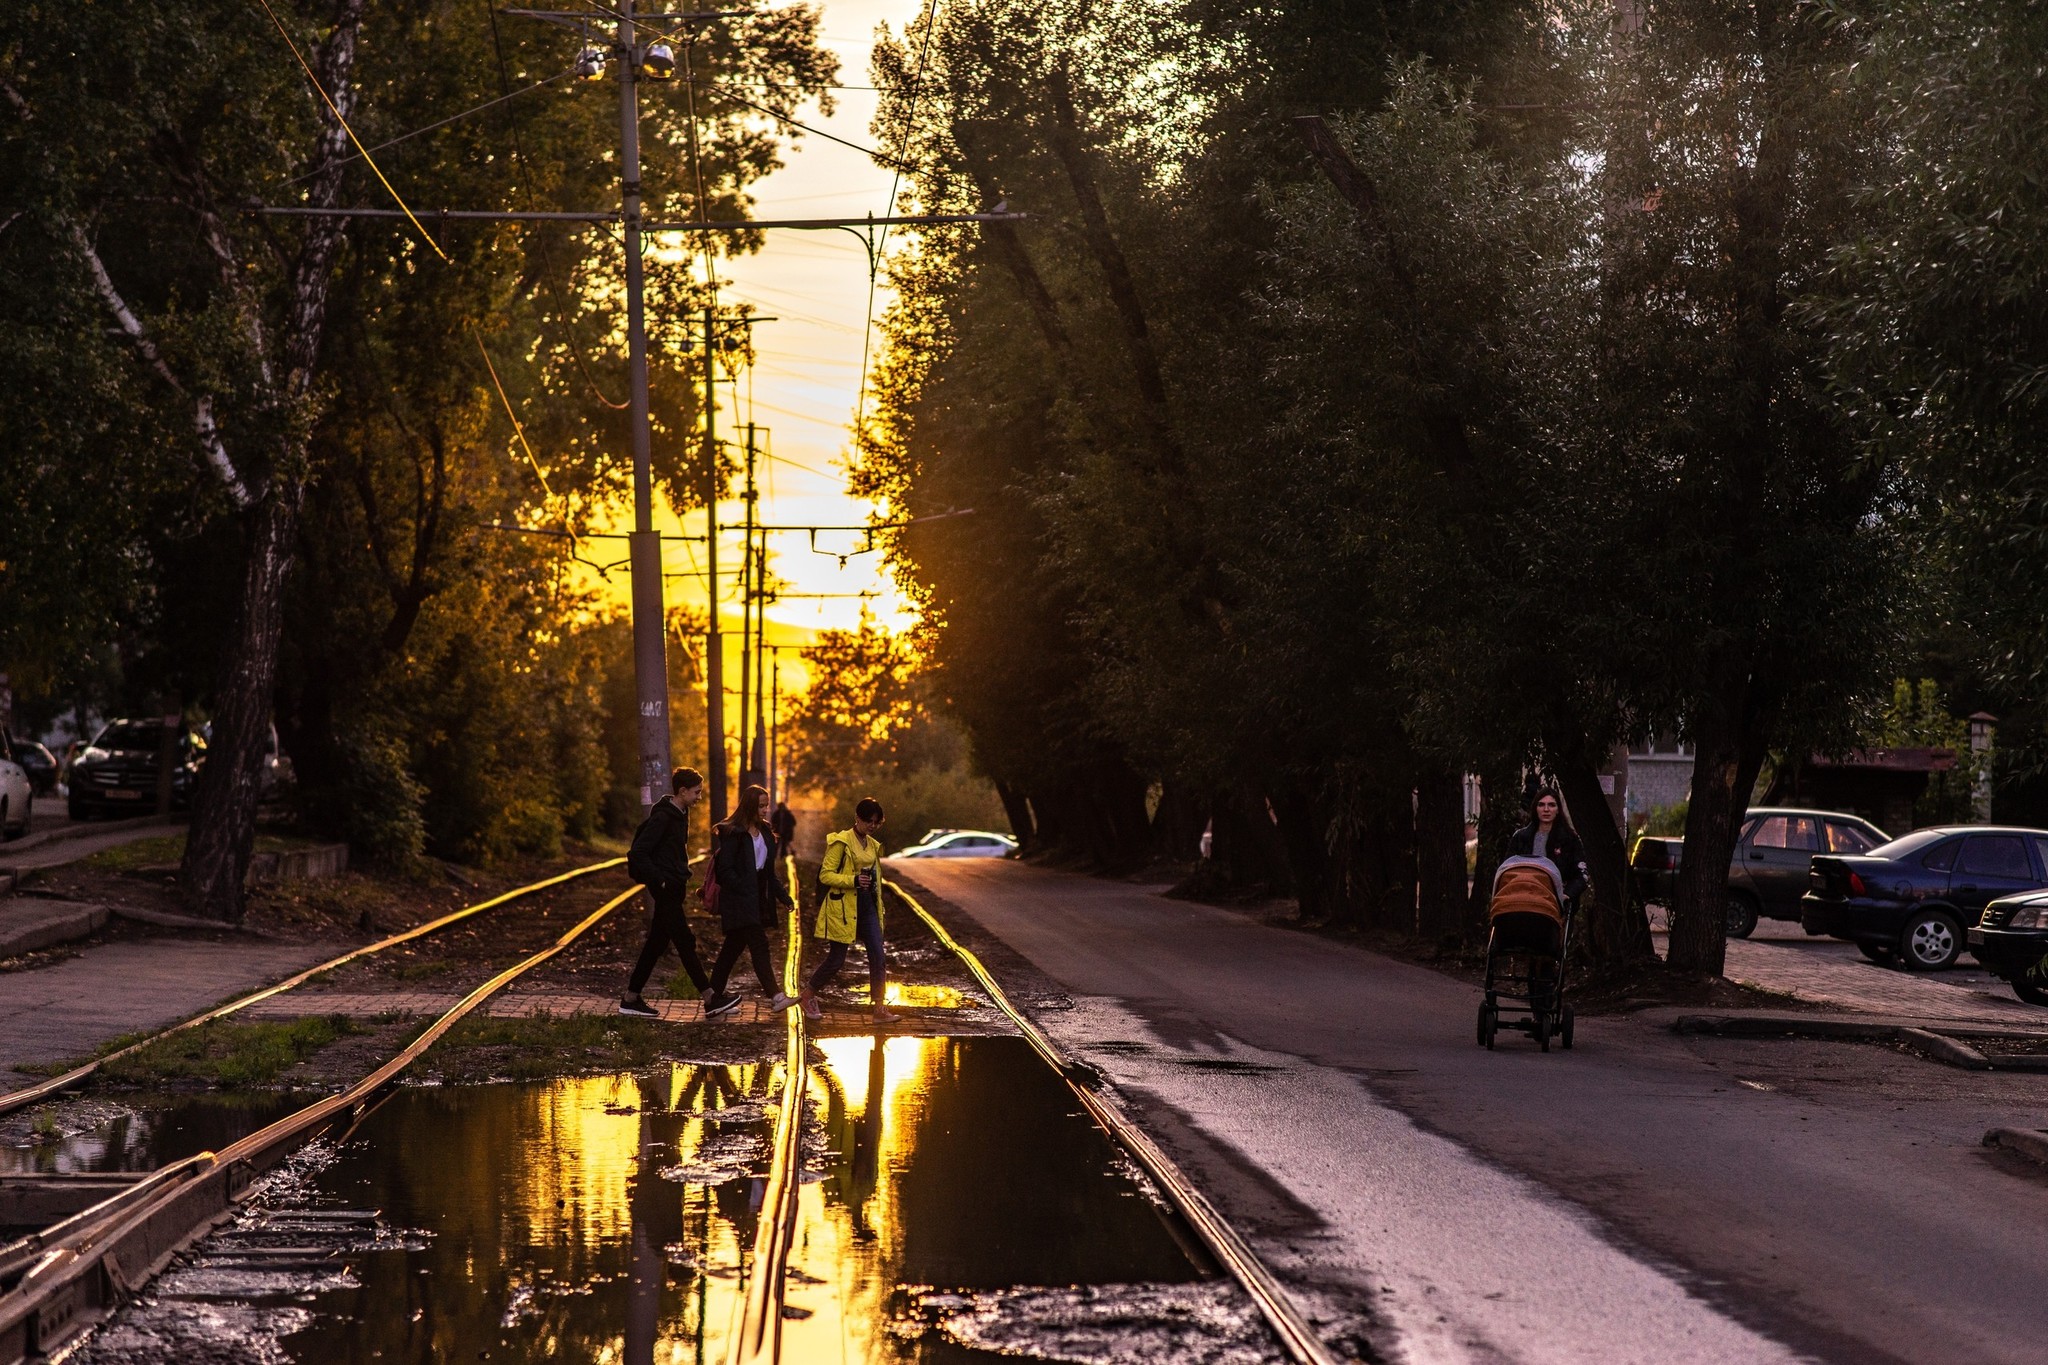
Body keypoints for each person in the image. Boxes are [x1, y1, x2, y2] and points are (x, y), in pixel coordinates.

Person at [702, 784, 799, 1017]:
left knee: (732, 949)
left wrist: (784, 897)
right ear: (749, 806)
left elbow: (768, 873)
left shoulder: (766, 832)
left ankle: (713, 998)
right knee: (759, 943)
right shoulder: (733, 832)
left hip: (756, 898)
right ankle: (776, 996)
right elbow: (725, 871)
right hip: (737, 898)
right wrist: (744, 887)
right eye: (761, 806)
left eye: (766, 805)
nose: (765, 810)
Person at [620, 767, 710, 1018]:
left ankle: (631, 997)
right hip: (666, 889)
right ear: (682, 791)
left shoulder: (681, 813)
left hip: (674, 887)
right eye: (696, 792)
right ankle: (710, 996)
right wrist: (659, 881)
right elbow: (638, 852)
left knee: (656, 943)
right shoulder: (663, 817)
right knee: (684, 942)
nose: (699, 798)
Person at [799, 797, 896, 1025]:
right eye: (868, 821)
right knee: (837, 959)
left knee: (878, 954)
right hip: (843, 906)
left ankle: (879, 1008)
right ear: (857, 819)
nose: (871, 826)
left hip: (867, 905)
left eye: (876, 822)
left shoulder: (872, 845)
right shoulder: (841, 843)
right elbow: (825, 874)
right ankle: (808, 995)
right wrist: (853, 880)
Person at [1502, 786, 1587, 1015]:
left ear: (1558, 809)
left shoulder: (1569, 840)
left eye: (1551, 805)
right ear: (1535, 808)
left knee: (1547, 958)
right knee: (1532, 956)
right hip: (1524, 902)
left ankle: (1543, 1010)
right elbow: (1507, 868)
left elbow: (1581, 875)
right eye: (1541, 804)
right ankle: (1538, 1009)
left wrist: (1568, 894)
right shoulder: (1521, 837)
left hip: (1555, 907)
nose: (1546, 809)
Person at [771, 800, 797, 867]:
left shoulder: (787, 814)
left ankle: (782, 858)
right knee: (778, 846)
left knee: (783, 846)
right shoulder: (777, 814)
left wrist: (788, 828)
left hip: (785, 833)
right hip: (778, 833)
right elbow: (773, 821)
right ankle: (776, 858)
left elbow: (793, 822)